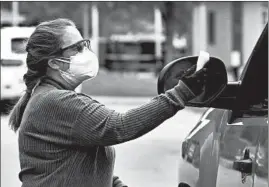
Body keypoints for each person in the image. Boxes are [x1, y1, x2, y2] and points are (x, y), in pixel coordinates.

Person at [9, 18, 207, 187]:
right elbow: (120, 126)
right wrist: (182, 92)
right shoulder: (54, 101)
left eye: (84, 44)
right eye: (77, 48)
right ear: (53, 62)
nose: (86, 52)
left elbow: (80, 166)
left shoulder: (51, 97)